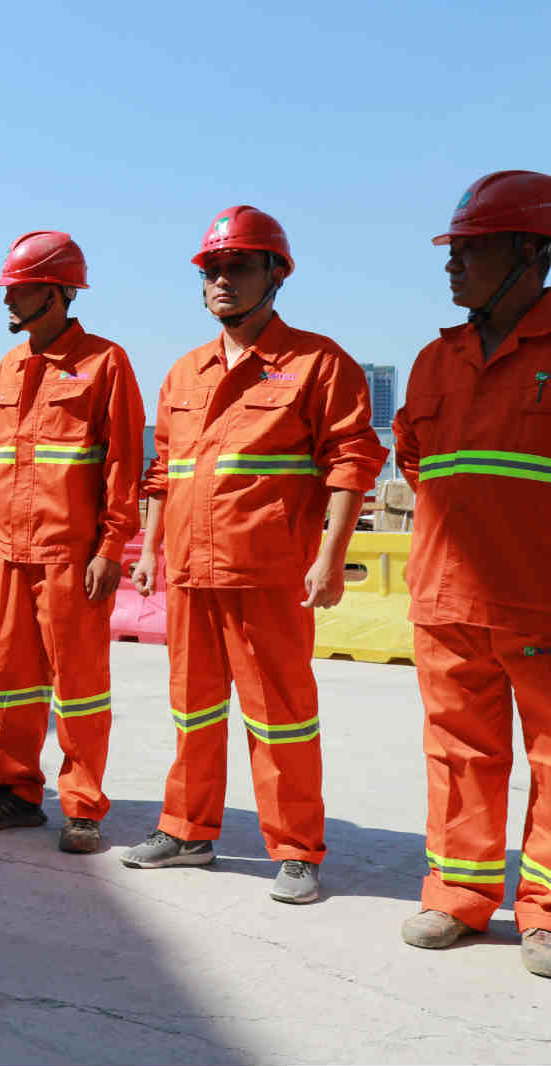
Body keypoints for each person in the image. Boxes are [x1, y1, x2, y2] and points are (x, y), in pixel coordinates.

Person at [123, 206, 386, 904]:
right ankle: (186, 830)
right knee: (192, 709)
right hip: (187, 571)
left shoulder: (316, 364)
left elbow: (351, 464)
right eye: (212, 268)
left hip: (267, 573)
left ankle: (297, 848)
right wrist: (148, 550)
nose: (221, 280)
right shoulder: (184, 373)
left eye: (237, 265)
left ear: (276, 274)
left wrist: (329, 559)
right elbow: (163, 474)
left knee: (282, 715)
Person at [393, 170, 551, 978]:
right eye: (450, 252)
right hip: (448, 598)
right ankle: (459, 895)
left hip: (542, 602)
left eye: (469, 251)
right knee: (458, 753)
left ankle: (547, 912)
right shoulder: (434, 360)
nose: (451, 267)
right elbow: (417, 467)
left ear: (533, 252)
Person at [0, 232, 144, 853]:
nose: (9, 301)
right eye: (8, 289)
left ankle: (83, 806)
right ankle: (16, 792)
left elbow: (123, 464)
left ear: (61, 292)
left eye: (22, 289)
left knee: (80, 686)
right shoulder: (8, 368)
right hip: (11, 553)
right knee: (13, 680)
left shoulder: (106, 363)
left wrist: (110, 549)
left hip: (72, 557)